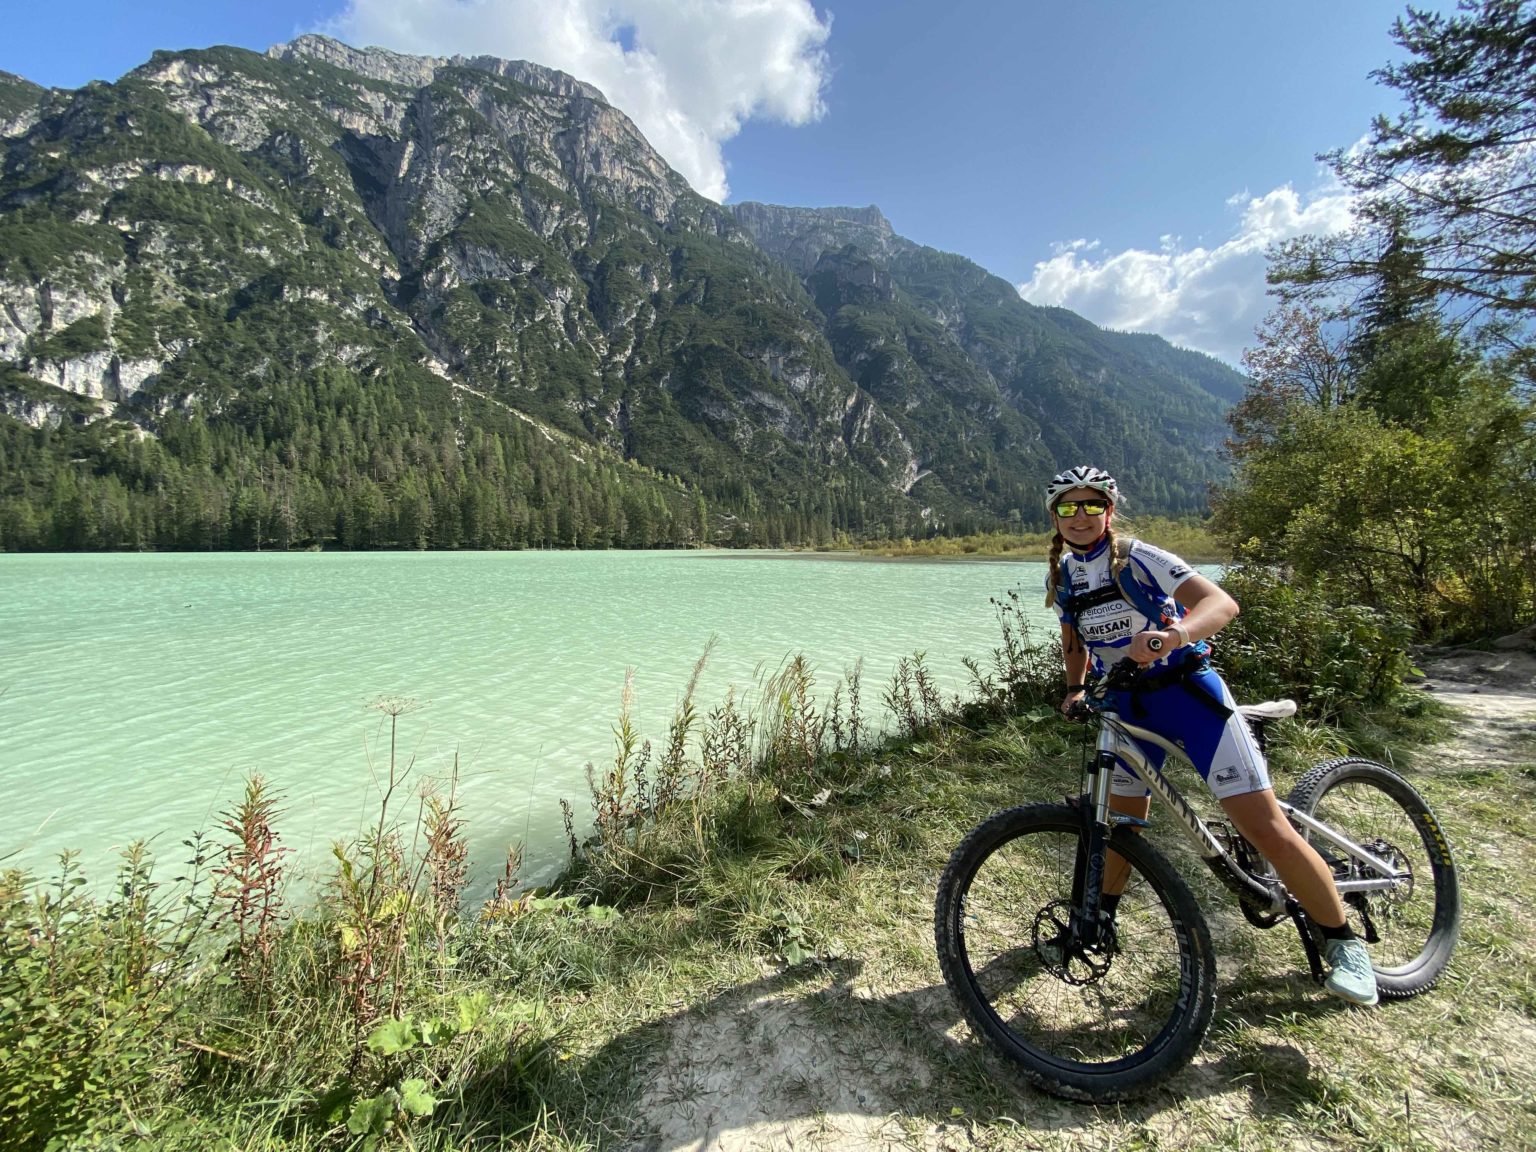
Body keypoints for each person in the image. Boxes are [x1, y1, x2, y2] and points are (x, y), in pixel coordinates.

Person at [1042, 464, 1378, 1007]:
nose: (1079, 516)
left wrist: (1172, 636)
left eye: (1091, 505)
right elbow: (1074, 640)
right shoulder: (1062, 576)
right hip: (1125, 706)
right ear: (1054, 518)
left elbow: (1220, 604)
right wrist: (1076, 688)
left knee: (1264, 827)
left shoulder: (1138, 557)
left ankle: (1344, 943)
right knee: (1119, 825)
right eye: (1067, 507)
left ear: (1109, 510)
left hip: (1189, 698)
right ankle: (1097, 923)